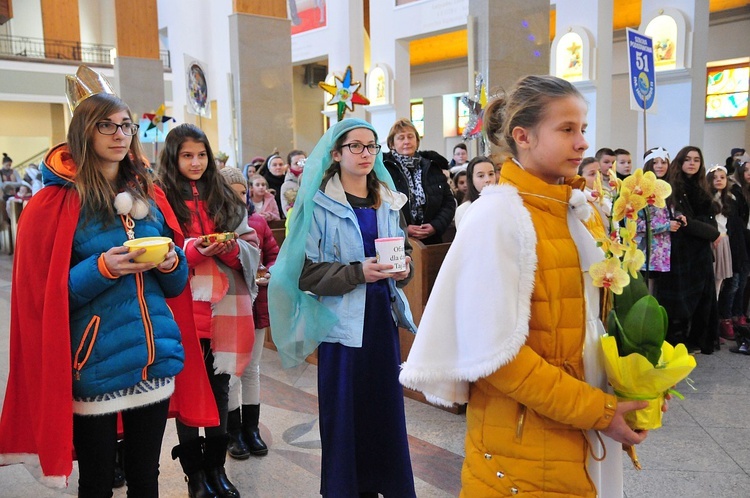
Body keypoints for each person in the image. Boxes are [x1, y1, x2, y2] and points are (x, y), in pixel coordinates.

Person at [400, 75, 648, 497]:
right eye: (567, 129)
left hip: (580, 420)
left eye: (583, 129)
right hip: (526, 434)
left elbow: (591, 322)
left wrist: (637, 381)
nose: (583, 143)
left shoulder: (577, 209)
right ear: (523, 136)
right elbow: (497, 356)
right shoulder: (498, 216)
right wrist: (599, 410)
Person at [0, 66, 218, 496]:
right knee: (98, 482)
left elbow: (173, 289)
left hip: (154, 360)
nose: (119, 134)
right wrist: (102, 268)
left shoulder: (148, 197)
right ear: (85, 130)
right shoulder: (54, 204)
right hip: (95, 365)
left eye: (125, 125)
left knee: (146, 477)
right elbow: (44, 298)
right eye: (106, 125)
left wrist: (171, 262)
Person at [269, 118, 418, 497]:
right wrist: (356, 273)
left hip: (381, 322)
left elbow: (404, 255)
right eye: (356, 146)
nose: (366, 153)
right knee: (344, 413)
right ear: (336, 154)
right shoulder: (318, 205)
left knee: (382, 411)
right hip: (340, 326)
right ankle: (346, 489)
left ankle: (386, 482)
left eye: (372, 146)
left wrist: (404, 269)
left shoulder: (388, 198)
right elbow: (303, 273)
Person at [158, 123, 261, 498]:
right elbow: (157, 248)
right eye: (187, 155)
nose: (196, 162)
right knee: (189, 391)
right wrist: (194, 250)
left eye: (201, 154)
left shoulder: (226, 198)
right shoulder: (160, 199)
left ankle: (217, 470)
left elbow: (251, 245)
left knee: (219, 390)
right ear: (174, 157)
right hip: (182, 304)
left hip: (224, 307)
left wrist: (231, 250)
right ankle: (195, 477)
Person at [219, 167, 279, 460]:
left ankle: (251, 429)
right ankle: (233, 432)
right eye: (231, 193)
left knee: (252, 369)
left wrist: (269, 273)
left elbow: (273, 255)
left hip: (256, 304)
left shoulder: (257, 222)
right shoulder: (217, 226)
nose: (239, 198)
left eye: (242, 192)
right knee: (231, 372)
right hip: (230, 307)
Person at [655, 146, 720, 354]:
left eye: (696, 160)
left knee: (702, 298)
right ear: (680, 162)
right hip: (679, 252)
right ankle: (677, 342)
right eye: (688, 159)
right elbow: (679, 222)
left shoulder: (703, 189)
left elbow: (712, 229)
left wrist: (695, 226)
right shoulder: (670, 188)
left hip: (700, 252)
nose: (692, 163)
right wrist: (698, 227)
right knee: (679, 300)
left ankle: (697, 339)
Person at [382, 118, 456, 245]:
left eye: (410, 136)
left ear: (416, 141)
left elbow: (448, 201)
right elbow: (382, 205)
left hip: (431, 240)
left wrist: (435, 226)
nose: (406, 141)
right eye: (401, 138)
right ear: (392, 144)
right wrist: (404, 229)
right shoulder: (385, 169)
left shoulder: (432, 167)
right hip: (397, 240)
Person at [707, 165, 747, 341]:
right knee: (709, 284)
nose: (719, 180)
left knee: (720, 284)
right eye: (715, 177)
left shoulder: (730, 198)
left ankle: (716, 323)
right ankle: (708, 324)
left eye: (722, 177)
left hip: (725, 242)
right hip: (711, 241)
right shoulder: (707, 198)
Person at [636, 147, 684, 292]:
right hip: (647, 253)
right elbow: (635, 224)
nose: (659, 166)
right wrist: (665, 225)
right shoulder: (639, 190)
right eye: (655, 162)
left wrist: (679, 216)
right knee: (647, 293)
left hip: (667, 253)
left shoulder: (671, 188)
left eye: (663, 162)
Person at [454, 155, 496, 229]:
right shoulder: (464, 210)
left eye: (491, 174)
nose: (488, 180)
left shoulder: (504, 204)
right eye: (481, 176)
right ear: (471, 179)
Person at [260, 152, 287, 217]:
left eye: (280, 165)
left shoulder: (287, 181)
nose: (278, 167)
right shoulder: (263, 183)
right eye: (274, 165)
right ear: (269, 167)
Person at [280, 149, 306, 214]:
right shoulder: (287, 186)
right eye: (296, 163)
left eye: (303, 162)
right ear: (289, 166)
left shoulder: (314, 181)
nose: (301, 166)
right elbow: (286, 209)